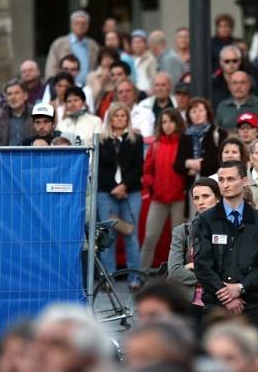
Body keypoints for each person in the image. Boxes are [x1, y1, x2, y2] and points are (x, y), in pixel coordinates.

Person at [193, 160, 258, 334]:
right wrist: (225, 294)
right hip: (215, 307)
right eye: (221, 180)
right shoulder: (205, 220)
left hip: (251, 306)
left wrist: (240, 287)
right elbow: (202, 264)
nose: (225, 185)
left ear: (244, 181)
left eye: (231, 179)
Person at [96, 102, 144, 283]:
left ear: (128, 119)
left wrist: (124, 186)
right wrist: (113, 189)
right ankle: (108, 278)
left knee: (131, 235)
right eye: (116, 116)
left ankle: (134, 278)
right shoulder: (101, 139)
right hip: (106, 193)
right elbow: (99, 169)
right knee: (108, 236)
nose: (120, 119)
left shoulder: (136, 139)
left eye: (123, 116)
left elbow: (138, 167)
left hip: (130, 192)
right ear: (110, 118)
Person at [168, 177, 221, 324]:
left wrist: (194, 268)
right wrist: (213, 279)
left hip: (219, 304)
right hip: (188, 304)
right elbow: (175, 270)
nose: (201, 202)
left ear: (218, 199)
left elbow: (231, 270)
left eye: (206, 196)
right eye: (196, 198)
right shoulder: (182, 231)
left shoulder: (230, 230)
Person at [140, 108, 186, 272]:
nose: (167, 125)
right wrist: (151, 184)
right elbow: (147, 170)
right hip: (158, 199)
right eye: (164, 122)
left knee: (179, 240)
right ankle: (141, 275)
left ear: (177, 123)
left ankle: (178, 276)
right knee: (150, 237)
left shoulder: (183, 143)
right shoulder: (156, 145)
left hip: (179, 199)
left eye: (171, 121)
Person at [174, 97, 228, 187]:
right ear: (189, 115)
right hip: (192, 186)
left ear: (207, 113)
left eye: (201, 110)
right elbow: (177, 165)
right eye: (193, 111)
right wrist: (188, 163)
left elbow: (221, 161)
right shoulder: (185, 136)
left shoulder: (219, 133)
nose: (197, 114)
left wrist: (200, 166)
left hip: (215, 185)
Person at [45, 10, 99, 86]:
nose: (80, 26)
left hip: (88, 88)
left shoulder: (93, 45)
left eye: (83, 24)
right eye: (77, 23)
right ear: (71, 25)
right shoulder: (59, 44)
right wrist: (52, 85)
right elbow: (51, 67)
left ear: (88, 26)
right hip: (65, 87)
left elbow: (97, 68)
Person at [0, 79, 34, 146]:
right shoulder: (2, 116)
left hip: (31, 155)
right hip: (8, 155)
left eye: (16, 93)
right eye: (9, 94)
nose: (13, 97)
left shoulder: (35, 114)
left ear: (25, 96)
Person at [130, 29, 156, 94]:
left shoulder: (151, 58)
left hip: (147, 93)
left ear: (145, 43)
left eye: (139, 42)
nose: (136, 45)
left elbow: (154, 77)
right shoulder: (130, 59)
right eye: (134, 42)